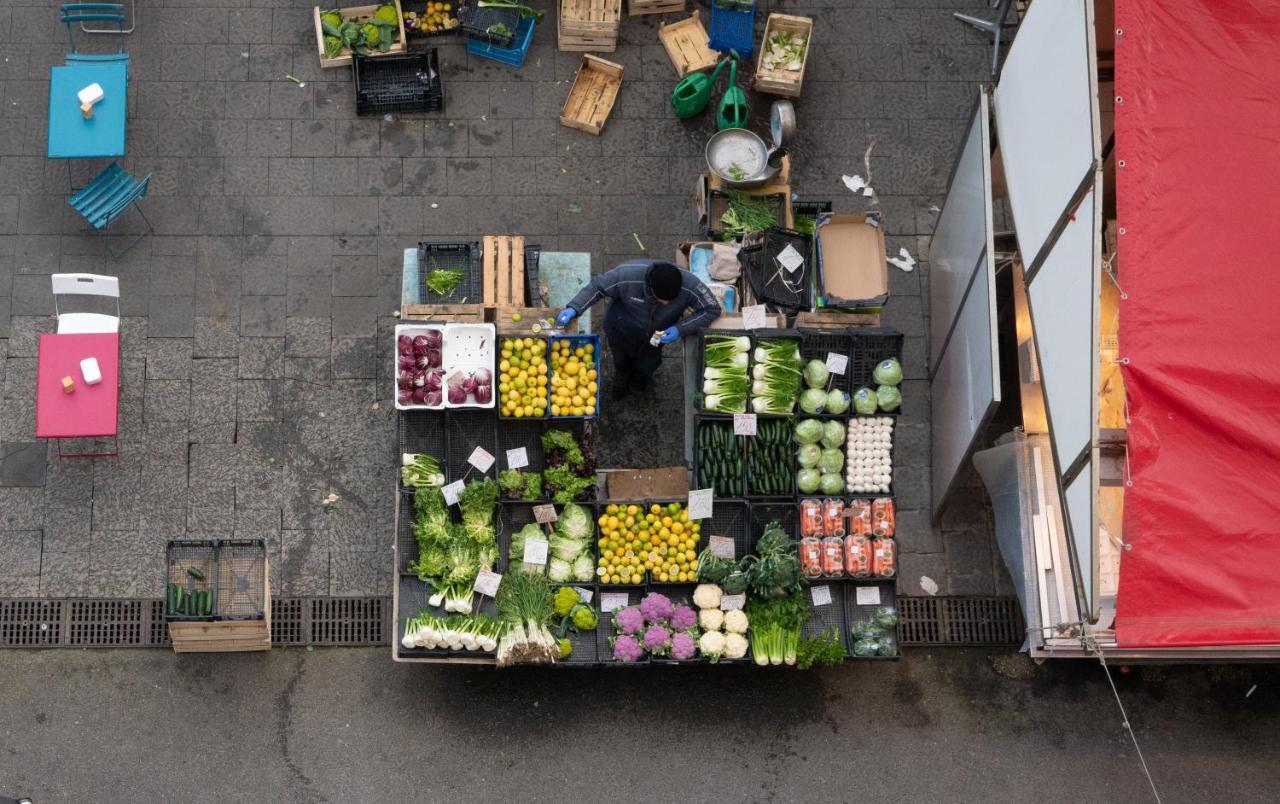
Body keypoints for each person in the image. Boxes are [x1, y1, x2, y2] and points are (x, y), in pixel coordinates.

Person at [557, 259, 721, 400]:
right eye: (661, 299)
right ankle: (621, 381)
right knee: (621, 360)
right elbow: (597, 287)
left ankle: (641, 379)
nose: (665, 304)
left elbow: (712, 309)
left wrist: (680, 329)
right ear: (649, 287)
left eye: (670, 302)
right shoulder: (626, 275)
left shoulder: (690, 284)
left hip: (656, 337)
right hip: (621, 330)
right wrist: (575, 307)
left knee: (650, 360)